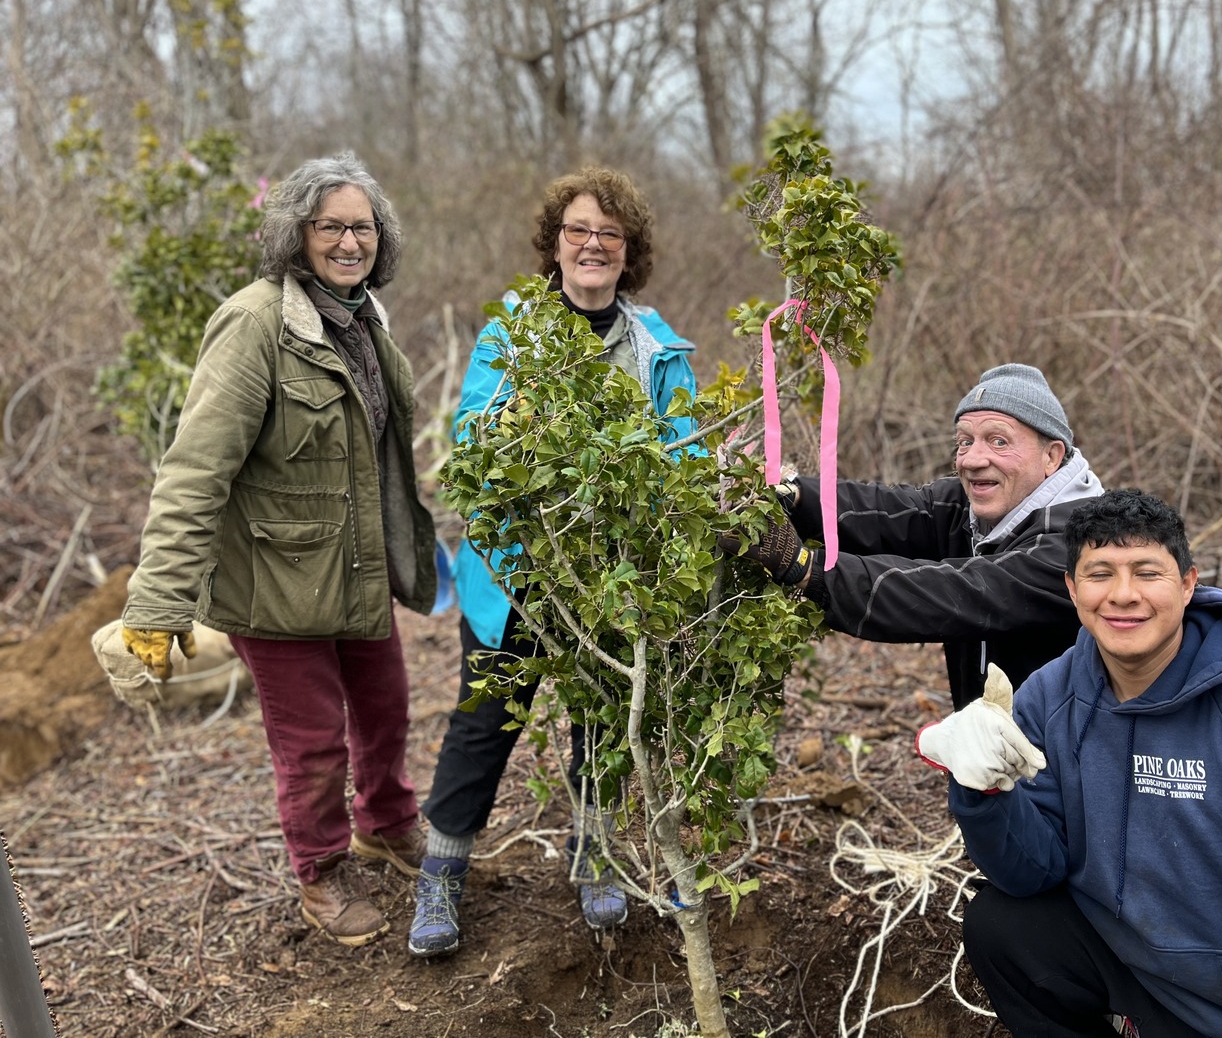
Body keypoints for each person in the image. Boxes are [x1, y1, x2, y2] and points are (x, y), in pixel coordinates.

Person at [916, 488, 1222, 1037]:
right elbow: (1032, 871)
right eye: (1100, 574)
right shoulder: (1052, 696)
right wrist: (983, 792)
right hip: (1141, 977)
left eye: (1147, 572)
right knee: (1002, 927)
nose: (1123, 596)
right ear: (1072, 590)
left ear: (1188, 584)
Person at [121, 152, 437, 947]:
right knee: (312, 746)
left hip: (355, 567)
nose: (347, 240)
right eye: (330, 225)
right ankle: (322, 869)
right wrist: (157, 602)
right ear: (296, 234)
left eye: (361, 226)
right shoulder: (256, 322)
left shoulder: (363, 319)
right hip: (275, 581)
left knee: (387, 709)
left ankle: (388, 825)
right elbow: (195, 469)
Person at [409, 166, 697, 957]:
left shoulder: (654, 344)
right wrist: (518, 423)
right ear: (555, 244)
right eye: (578, 231)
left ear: (626, 250)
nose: (592, 245)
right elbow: (470, 431)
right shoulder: (515, 332)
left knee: (605, 719)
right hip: (519, 574)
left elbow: (685, 448)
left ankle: (594, 854)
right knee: (484, 720)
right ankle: (442, 873)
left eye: (608, 233)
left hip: (616, 576)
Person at [725, 363, 1102, 709]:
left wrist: (806, 568)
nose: (971, 459)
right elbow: (885, 511)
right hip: (983, 756)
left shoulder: (1079, 542)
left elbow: (959, 593)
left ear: (1052, 456)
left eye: (998, 441)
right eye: (964, 441)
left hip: (1061, 763)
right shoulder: (976, 504)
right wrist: (795, 494)